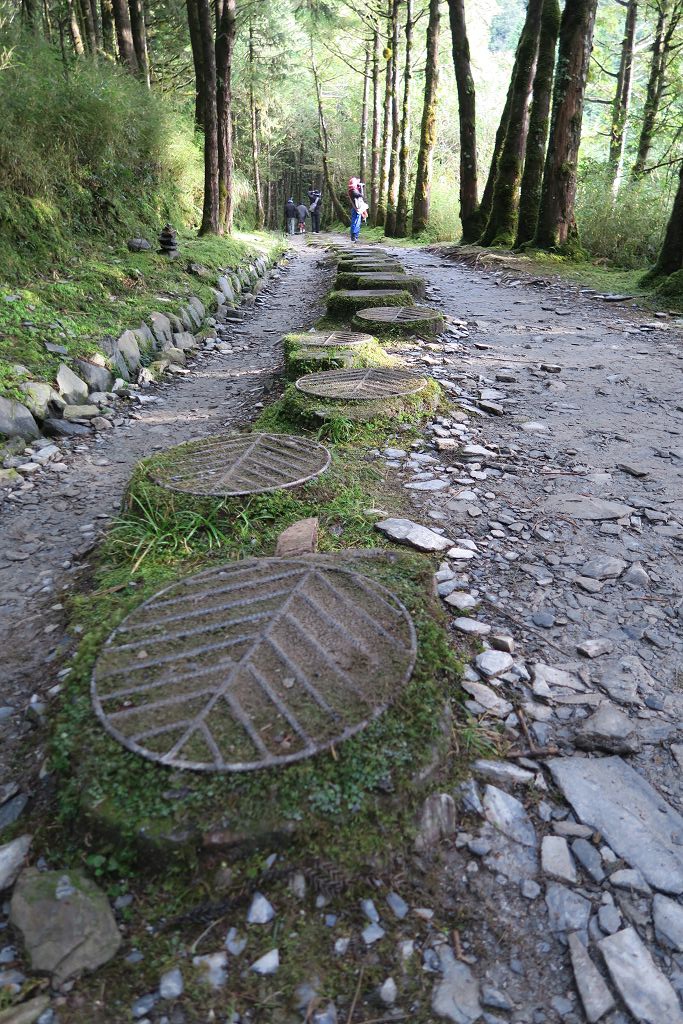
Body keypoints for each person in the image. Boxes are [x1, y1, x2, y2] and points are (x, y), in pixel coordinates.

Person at [348, 177, 368, 242]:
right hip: (356, 208)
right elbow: (361, 195)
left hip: (356, 208)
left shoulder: (353, 190)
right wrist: (361, 188)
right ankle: (354, 236)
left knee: (357, 222)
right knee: (356, 222)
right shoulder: (353, 191)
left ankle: (355, 236)